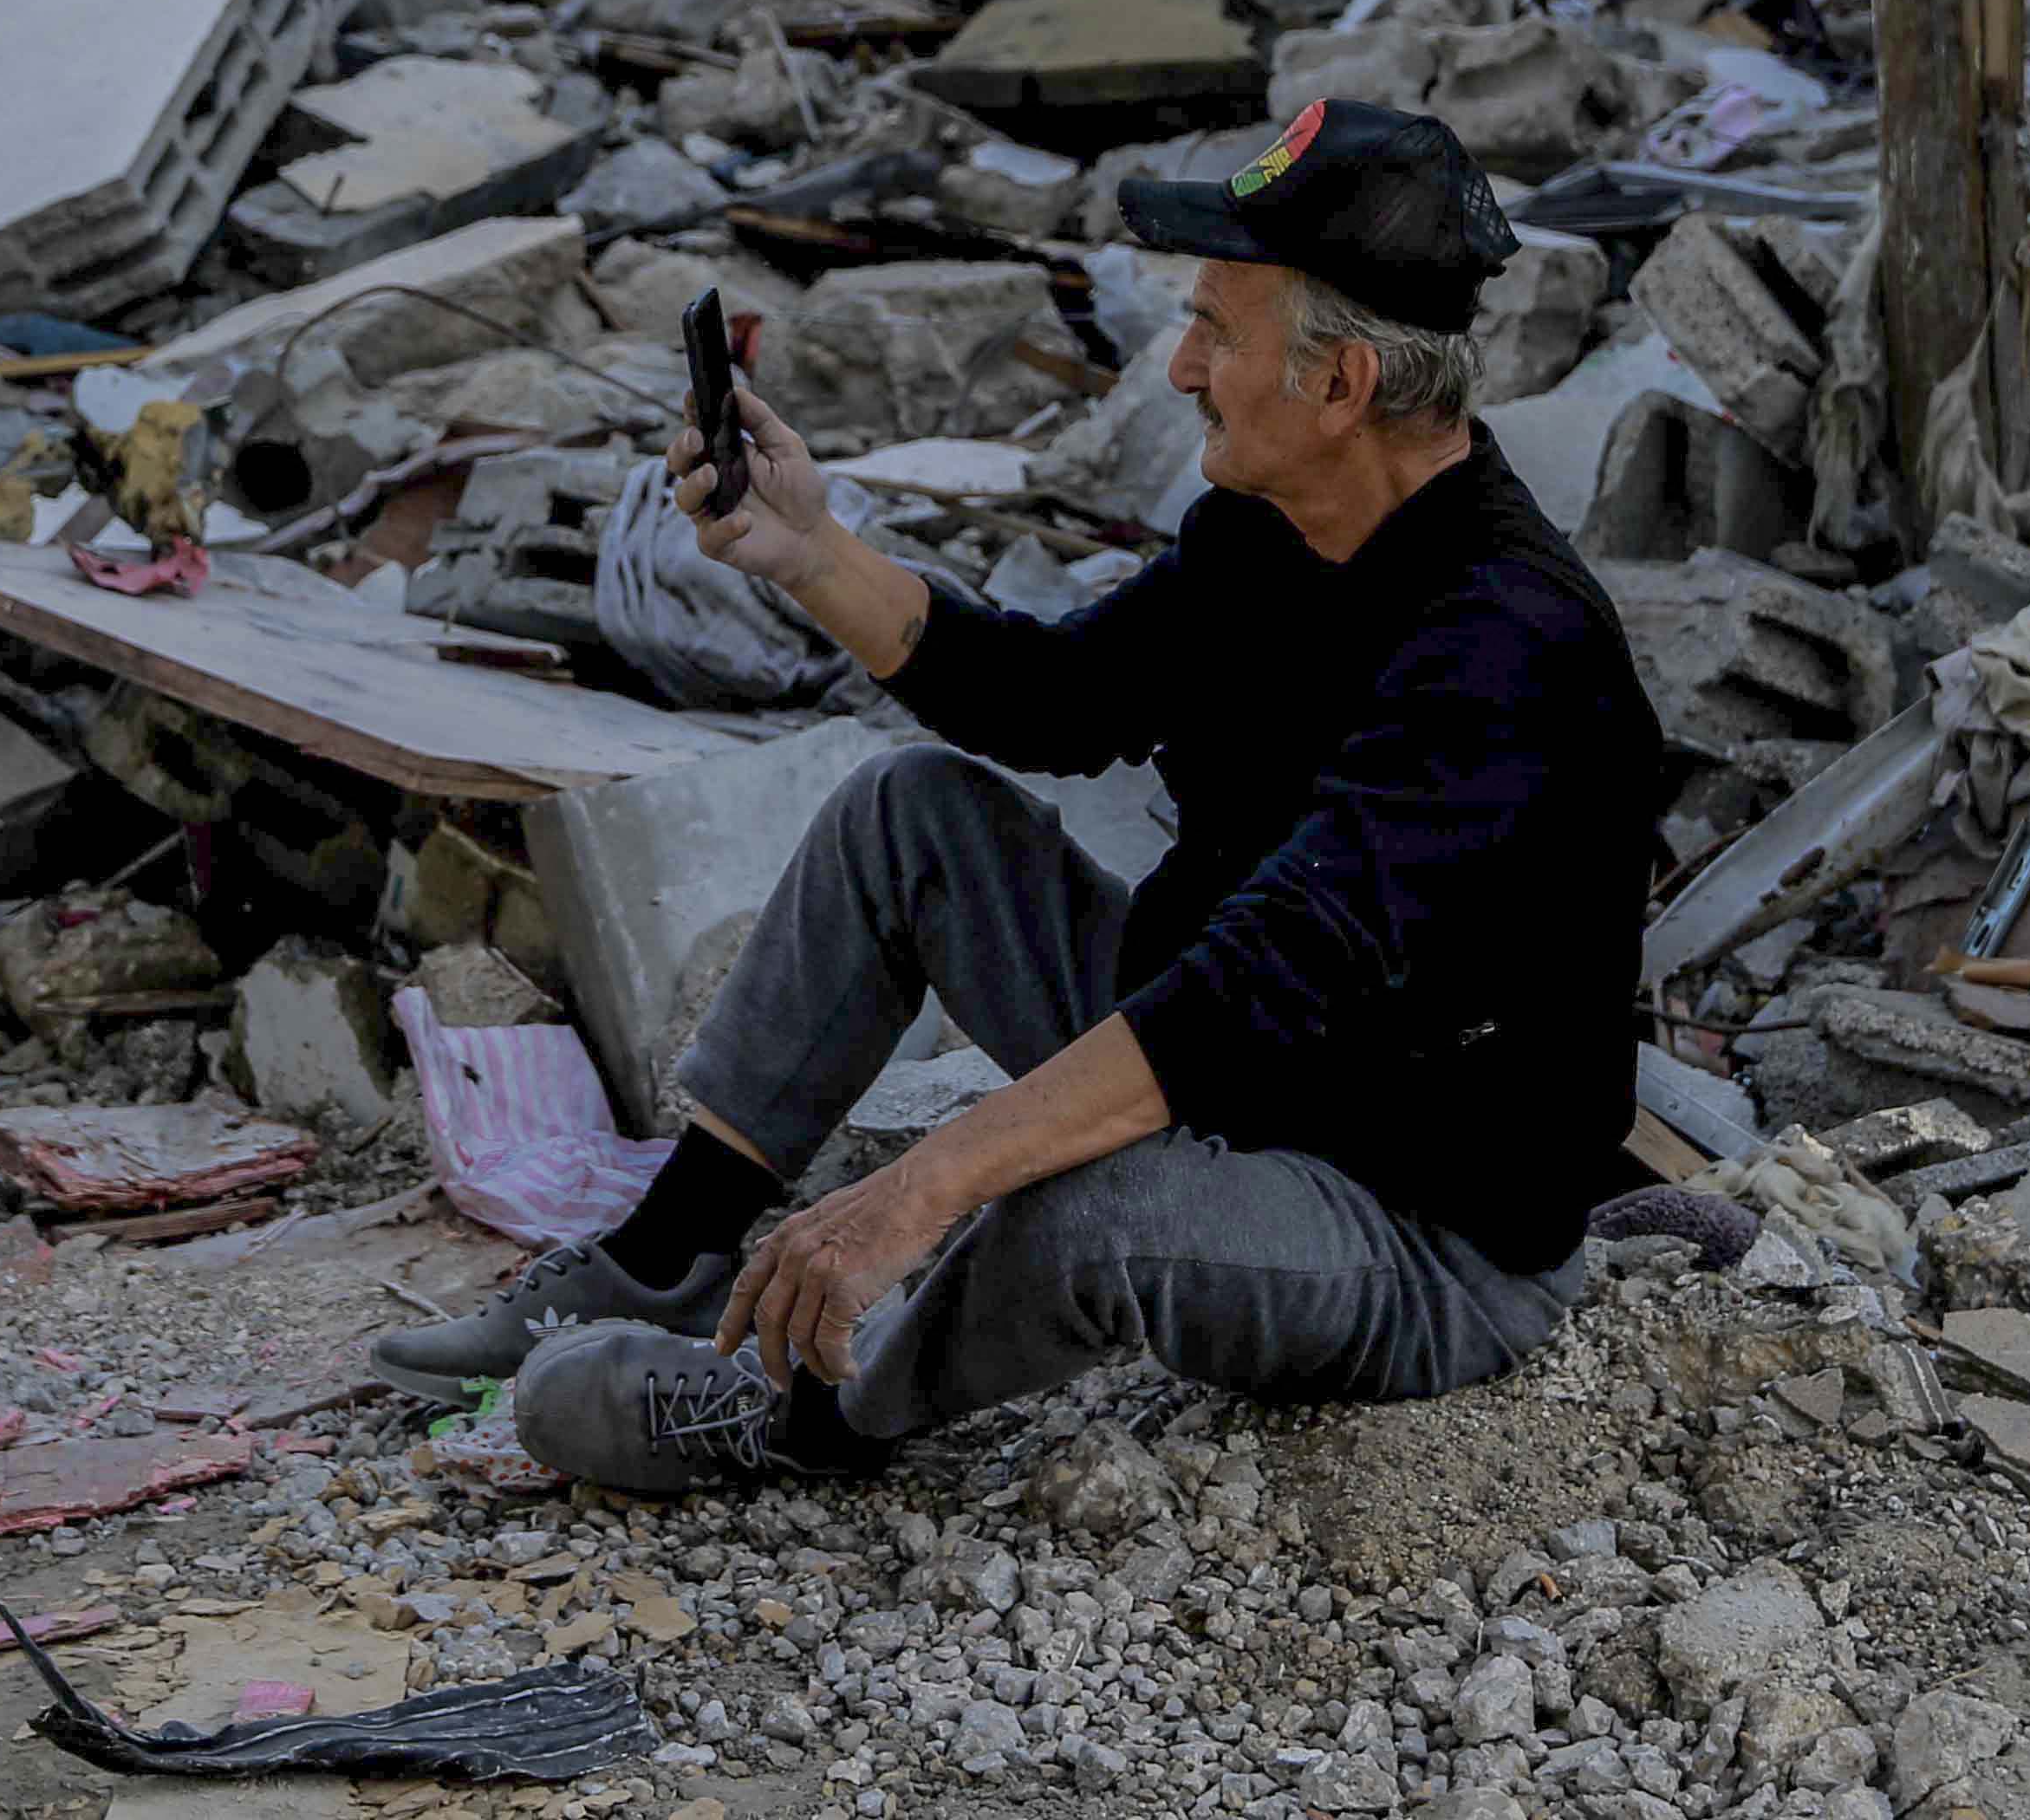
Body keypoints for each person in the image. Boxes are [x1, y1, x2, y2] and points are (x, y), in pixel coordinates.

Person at [368, 98, 1664, 1490]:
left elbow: (1261, 987)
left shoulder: (1508, 649)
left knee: (1090, 1203)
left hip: (1414, 1230)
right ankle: (663, 1254)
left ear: (1341, 383)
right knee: (910, 815)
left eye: (1216, 332)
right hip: (1238, 1082)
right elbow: (1054, 701)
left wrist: (920, 1189)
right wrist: (806, 549)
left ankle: (804, 1417)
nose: (1181, 366)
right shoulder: (1272, 529)